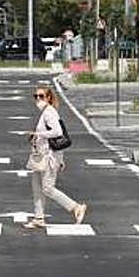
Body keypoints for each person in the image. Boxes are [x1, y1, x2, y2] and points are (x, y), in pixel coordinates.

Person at [25, 84, 87, 229]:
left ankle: (76, 207)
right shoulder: (46, 112)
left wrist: (38, 134)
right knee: (37, 187)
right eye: (36, 96)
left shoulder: (49, 112)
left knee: (47, 188)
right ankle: (38, 218)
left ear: (48, 98)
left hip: (49, 157)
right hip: (40, 156)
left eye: (41, 96)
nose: (38, 99)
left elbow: (57, 132)